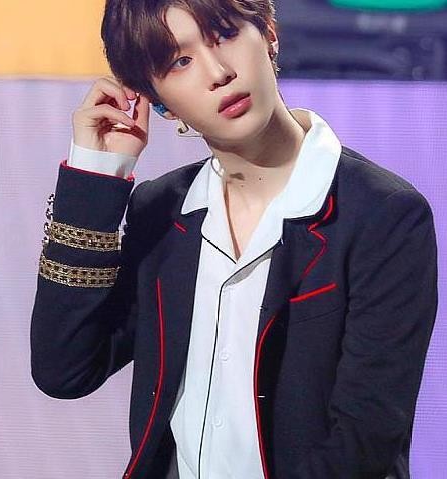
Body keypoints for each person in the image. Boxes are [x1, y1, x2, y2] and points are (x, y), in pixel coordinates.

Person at [30, 0, 438, 478]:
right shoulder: (162, 211)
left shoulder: (382, 214)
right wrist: (97, 174)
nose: (218, 73)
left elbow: (364, 441)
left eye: (224, 35)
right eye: (180, 61)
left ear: (269, 33)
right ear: (157, 101)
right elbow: (65, 369)